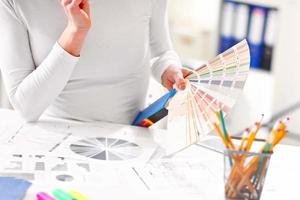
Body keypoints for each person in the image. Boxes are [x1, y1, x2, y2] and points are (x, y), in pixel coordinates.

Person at [0, 0, 187, 124]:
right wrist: (75, 32)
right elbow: (26, 108)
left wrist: (168, 69)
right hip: (54, 136)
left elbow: (160, 52)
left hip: (131, 135)